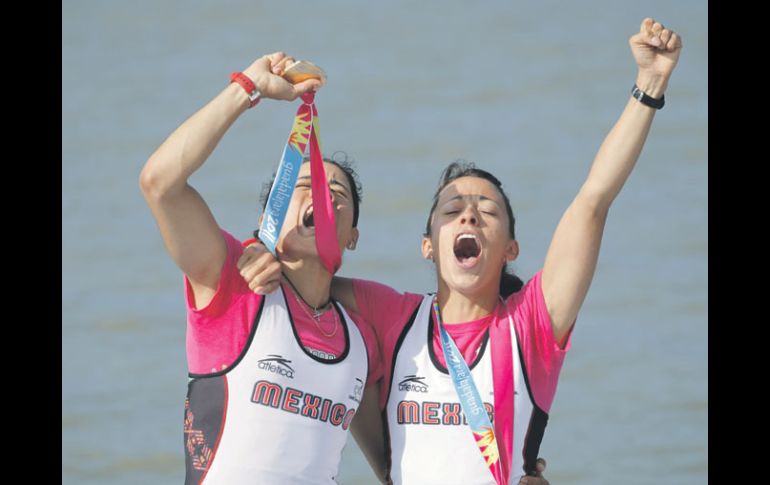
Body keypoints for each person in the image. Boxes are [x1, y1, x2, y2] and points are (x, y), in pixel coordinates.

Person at [240, 18, 682, 484]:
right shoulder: (394, 317)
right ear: (428, 246)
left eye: (486, 211)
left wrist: (649, 84)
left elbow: (594, 199)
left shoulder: (530, 324)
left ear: (510, 247)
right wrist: (257, 248)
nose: (469, 216)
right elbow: (306, 276)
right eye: (453, 209)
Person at [139, 52, 387, 484]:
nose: (323, 200)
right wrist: (247, 88)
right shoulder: (233, 284)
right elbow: (160, 184)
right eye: (305, 186)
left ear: (352, 237)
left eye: (336, 193)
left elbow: (394, 467)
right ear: (272, 213)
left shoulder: (362, 338)